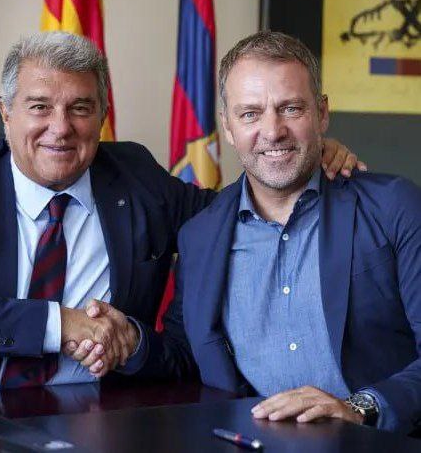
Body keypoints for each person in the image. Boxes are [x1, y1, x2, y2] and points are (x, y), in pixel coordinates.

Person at [0, 31, 359, 392]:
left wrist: (299, 158)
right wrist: (61, 324)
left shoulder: (134, 178)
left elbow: (234, 212)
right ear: (6, 114)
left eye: (81, 108)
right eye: (39, 106)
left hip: (106, 415)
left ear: (103, 115)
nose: (60, 128)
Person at [71, 32, 421, 433]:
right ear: (228, 126)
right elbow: (186, 356)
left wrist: (360, 408)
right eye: (250, 114)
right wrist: (130, 341)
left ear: (322, 114)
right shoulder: (200, 236)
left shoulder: (395, 207)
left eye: (291, 108)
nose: (273, 131)